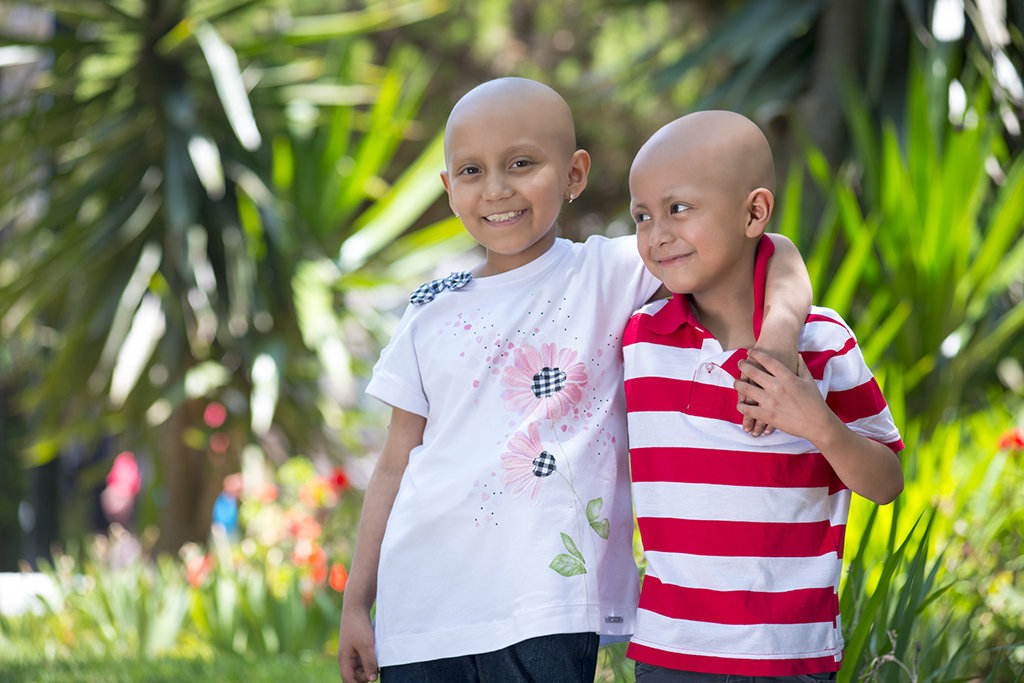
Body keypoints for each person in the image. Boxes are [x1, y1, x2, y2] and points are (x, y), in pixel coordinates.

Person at [337, 79, 813, 683]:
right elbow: (394, 463)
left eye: (521, 163)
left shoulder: (607, 270)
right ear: (448, 189)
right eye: (471, 171)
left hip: (546, 604)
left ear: (574, 174)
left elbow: (775, 249)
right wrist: (357, 603)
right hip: (422, 607)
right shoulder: (430, 307)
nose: (496, 188)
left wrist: (780, 335)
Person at [622, 110, 905, 681]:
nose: (657, 234)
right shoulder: (638, 340)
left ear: (754, 212)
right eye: (642, 216)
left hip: (788, 654)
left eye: (679, 208)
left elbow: (887, 483)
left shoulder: (824, 342)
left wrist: (818, 424)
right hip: (670, 651)